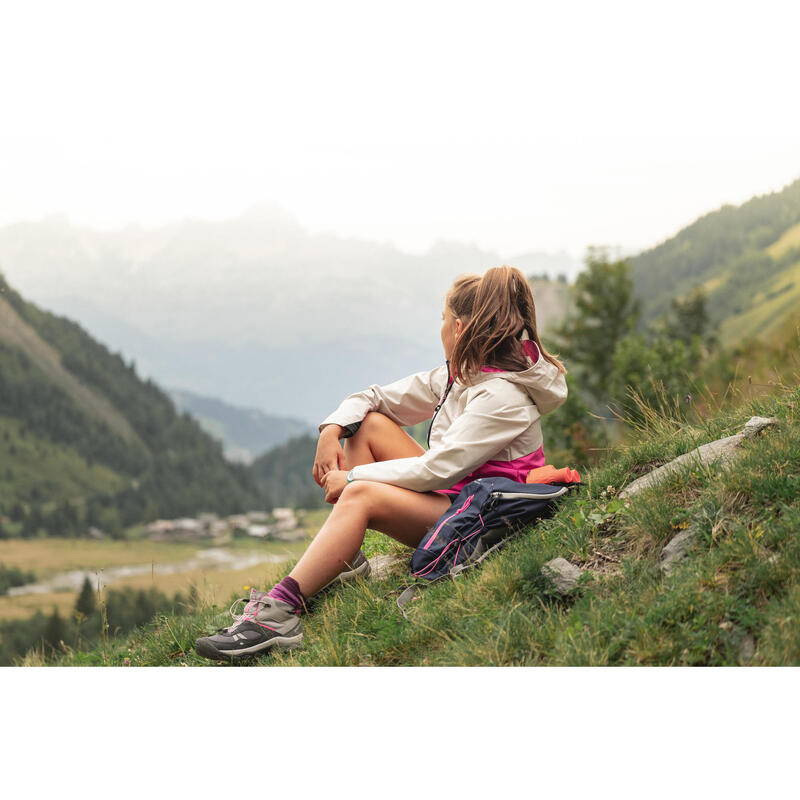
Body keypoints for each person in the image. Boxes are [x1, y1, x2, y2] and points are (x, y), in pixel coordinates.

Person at [194, 265, 568, 661]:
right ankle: (344, 555)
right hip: (460, 496)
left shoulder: (501, 397)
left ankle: (279, 615)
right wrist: (332, 429)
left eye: (441, 320)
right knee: (366, 425)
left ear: (457, 328)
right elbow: (374, 398)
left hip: (482, 517)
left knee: (361, 496)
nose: (439, 329)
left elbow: (435, 471)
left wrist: (351, 476)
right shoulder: (463, 375)